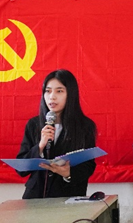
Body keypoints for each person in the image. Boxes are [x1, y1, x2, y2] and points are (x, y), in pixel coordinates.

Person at [16, 69, 97, 199]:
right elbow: (21, 169)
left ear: (70, 94)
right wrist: (40, 146)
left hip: (68, 197)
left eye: (59, 91)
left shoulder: (84, 126)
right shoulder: (34, 124)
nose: (52, 97)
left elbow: (88, 166)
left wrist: (68, 173)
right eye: (48, 91)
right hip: (35, 198)